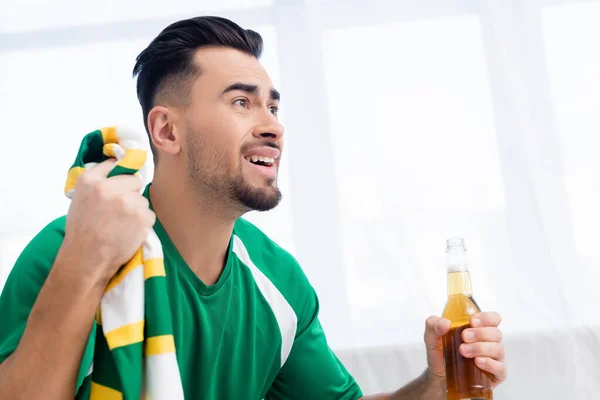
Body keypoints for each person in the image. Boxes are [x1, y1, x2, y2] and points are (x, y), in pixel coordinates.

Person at [0, 16, 506, 399]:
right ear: (166, 130)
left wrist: (434, 386)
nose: (272, 125)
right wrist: (84, 263)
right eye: (242, 103)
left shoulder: (280, 285)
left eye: (273, 106)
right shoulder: (69, 250)